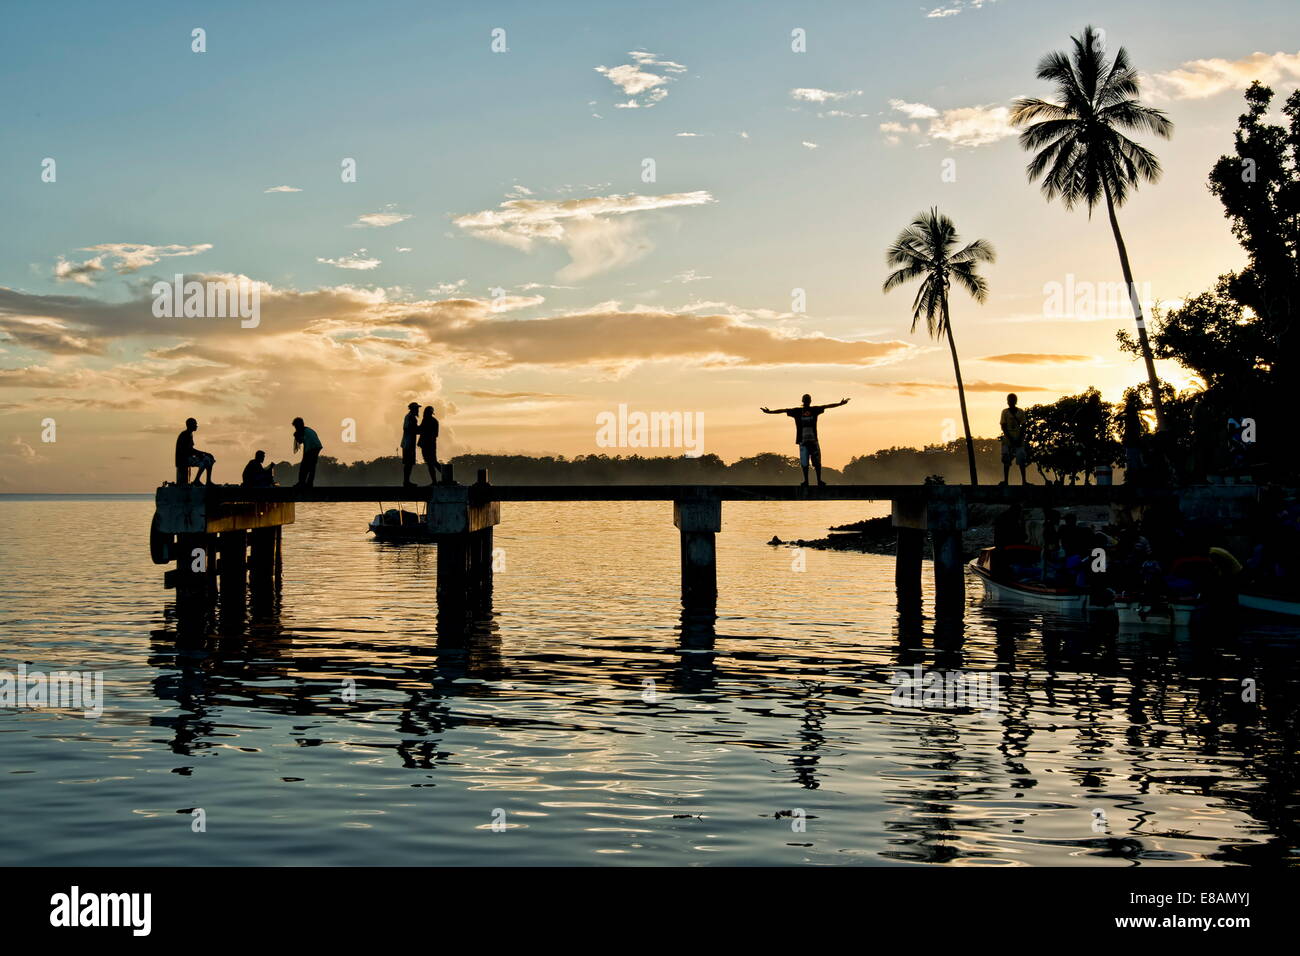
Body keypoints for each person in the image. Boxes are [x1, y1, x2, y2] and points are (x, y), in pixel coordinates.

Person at [760, 394, 850, 486]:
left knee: (816, 463)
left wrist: (840, 404)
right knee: (805, 463)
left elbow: (827, 406)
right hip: (803, 442)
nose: (807, 401)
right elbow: (783, 410)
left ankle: (818, 481)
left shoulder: (812, 410)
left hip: (813, 441)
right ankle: (808, 481)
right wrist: (770, 412)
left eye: (808, 399)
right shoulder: (798, 411)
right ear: (804, 401)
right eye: (806, 399)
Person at [174, 417, 215, 486]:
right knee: (206, 460)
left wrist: (202, 454)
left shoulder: (189, 434)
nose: (196, 426)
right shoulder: (185, 435)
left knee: (210, 458)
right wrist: (202, 454)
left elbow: (191, 450)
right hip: (183, 460)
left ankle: (208, 481)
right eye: (195, 424)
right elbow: (189, 450)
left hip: (186, 458)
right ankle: (197, 480)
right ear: (190, 425)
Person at [999, 393, 1028, 485]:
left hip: (1016, 439)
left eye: (1012, 400)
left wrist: (1019, 438)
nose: (1010, 402)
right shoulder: (1005, 412)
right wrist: (1012, 439)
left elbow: (1023, 426)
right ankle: (1006, 481)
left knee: (1021, 461)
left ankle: (1023, 481)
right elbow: (1003, 426)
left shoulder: (1020, 412)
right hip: (1009, 439)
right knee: (1007, 460)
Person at [292, 417, 322, 488]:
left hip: (312, 448)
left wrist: (296, 436)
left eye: (296, 426)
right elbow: (303, 441)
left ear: (298, 425)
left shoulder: (303, 431)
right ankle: (307, 483)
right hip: (316, 447)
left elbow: (301, 442)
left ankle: (303, 483)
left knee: (305, 466)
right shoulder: (307, 430)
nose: (295, 428)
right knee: (311, 467)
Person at [418, 405, 441, 485]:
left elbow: (420, 430)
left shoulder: (427, 420)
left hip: (428, 445)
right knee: (432, 462)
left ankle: (436, 480)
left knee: (431, 463)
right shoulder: (433, 421)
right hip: (430, 444)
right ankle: (442, 478)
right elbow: (435, 434)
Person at [400, 402, 420, 487]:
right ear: (413, 409)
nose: (418, 410)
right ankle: (406, 481)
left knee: (408, 463)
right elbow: (413, 430)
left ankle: (406, 481)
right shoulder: (411, 418)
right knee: (409, 463)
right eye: (416, 408)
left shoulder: (408, 417)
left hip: (407, 443)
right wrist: (423, 428)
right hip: (409, 443)